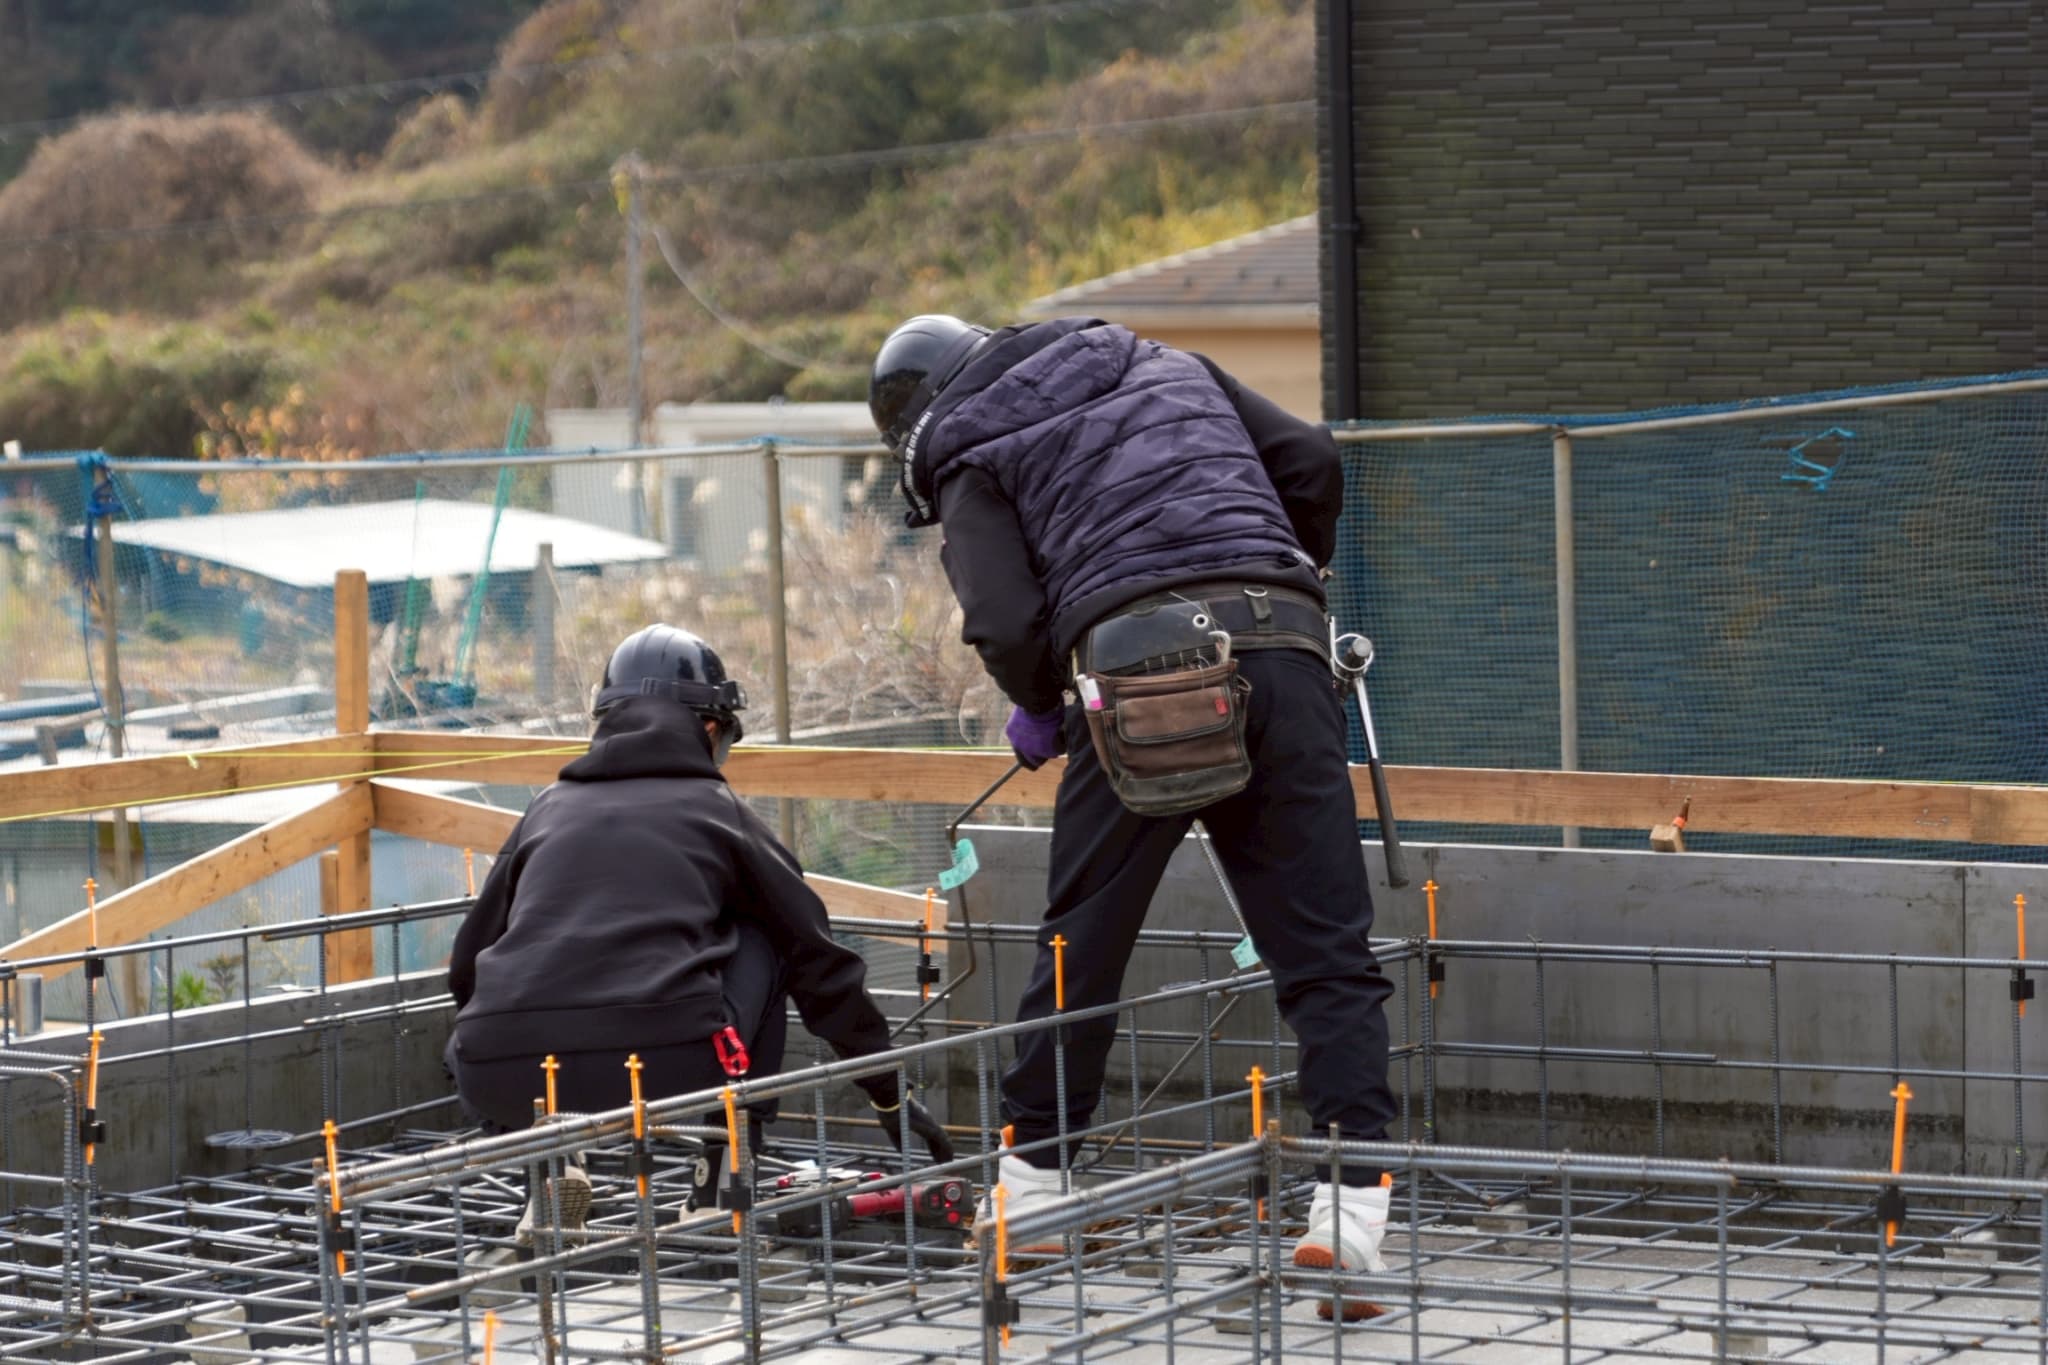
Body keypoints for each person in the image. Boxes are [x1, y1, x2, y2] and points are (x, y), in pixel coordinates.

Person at [869, 314, 1398, 1287]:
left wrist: (1040, 704)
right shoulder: (1149, 355)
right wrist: (1290, 577)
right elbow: (1311, 460)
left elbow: (1000, 616)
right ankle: (1350, 1211)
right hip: (1282, 650)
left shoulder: (963, 442)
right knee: (1323, 945)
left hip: (1134, 681)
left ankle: (1030, 1193)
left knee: (1081, 945)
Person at [445, 624, 953, 1239]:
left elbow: (468, 963)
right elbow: (821, 966)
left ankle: (549, 1163)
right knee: (768, 935)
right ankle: (720, 1179)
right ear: (709, 728)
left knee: (528, 972)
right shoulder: (720, 814)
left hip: (504, 1073)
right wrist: (887, 1091)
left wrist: (502, 1046)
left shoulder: (544, 811)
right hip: (668, 1064)